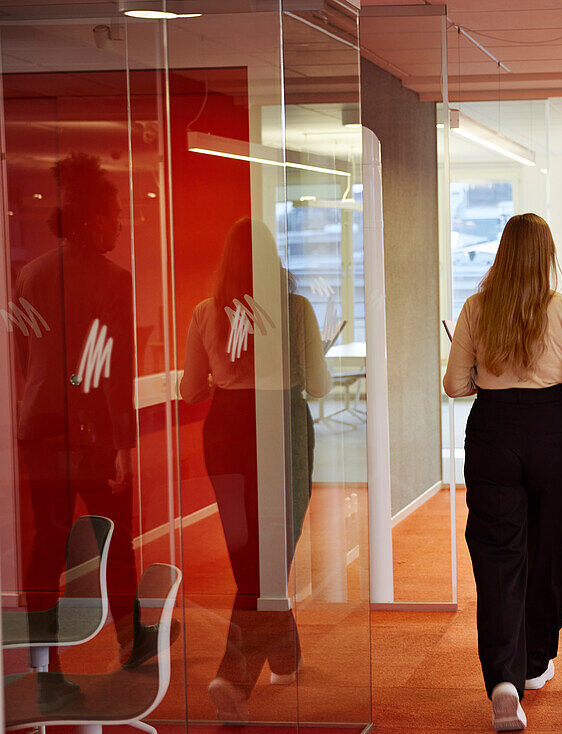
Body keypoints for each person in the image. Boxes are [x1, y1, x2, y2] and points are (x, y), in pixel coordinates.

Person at [443, 213, 562, 732]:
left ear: (502, 254)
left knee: (497, 554)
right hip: (552, 431)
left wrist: (478, 378)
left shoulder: (475, 308)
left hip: (492, 433)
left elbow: (454, 385)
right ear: (547, 256)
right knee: (548, 545)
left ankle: (503, 682)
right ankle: (536, 661)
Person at [13, 153, 153, 711]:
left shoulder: (31, 272)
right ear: (93, 219)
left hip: (38, 426)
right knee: (113, 541)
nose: (120, 225)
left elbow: (29, 358)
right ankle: (132, 642)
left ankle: (44, 668)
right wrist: (123, 442)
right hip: (93, 432)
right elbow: (113, 369)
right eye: (115, 215)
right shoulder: (113, 279)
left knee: (45, 548)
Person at [179, 218, 331, 721]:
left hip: (225, 432)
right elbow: (322, 386)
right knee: (269, 560)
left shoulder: (206, 312)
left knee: (251, 556)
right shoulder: (296, 308)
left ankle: (286, 657)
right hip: (282, 423)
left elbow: (191, 390)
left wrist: (228, 367)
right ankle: (233, 679)